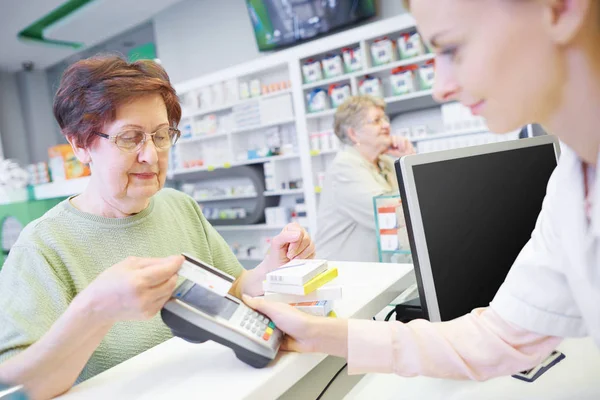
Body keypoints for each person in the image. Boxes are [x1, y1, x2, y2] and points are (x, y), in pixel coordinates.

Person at [245, 0, 600, 381]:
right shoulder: (571, 185)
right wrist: (319, 333)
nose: (439, 88)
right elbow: (498, 337)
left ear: (561, 8)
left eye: (451, 48)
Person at [0, 55, 315, 399]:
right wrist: (94, 310)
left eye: (162, 135)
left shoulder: (179, 206)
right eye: (130, 137)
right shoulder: (43, 246)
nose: (151, 154)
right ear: (80, 145)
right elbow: (15, 388)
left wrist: (272, 268)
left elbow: (232, 289)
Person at [315, 95, 415, 262]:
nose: (386, 125)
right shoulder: (344, 168)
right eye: (376, 121)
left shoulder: (387, 164)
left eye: (385, 118)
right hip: (345, 275)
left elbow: (416, 204)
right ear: (353, 134)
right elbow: (393, 216)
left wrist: (408, 161)